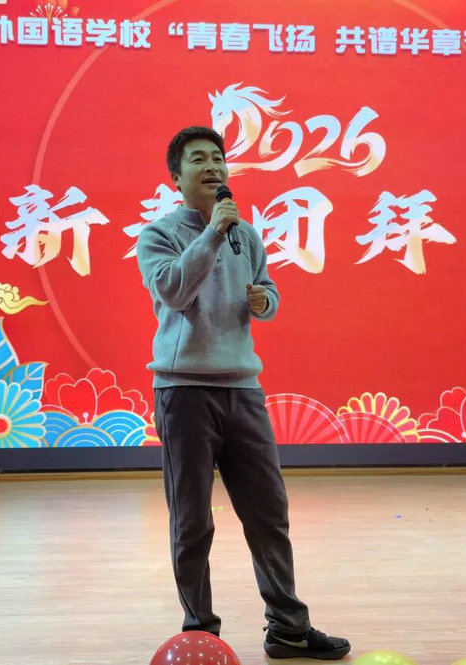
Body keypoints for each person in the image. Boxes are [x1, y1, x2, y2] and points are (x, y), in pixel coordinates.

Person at [136, 126, 351, 660]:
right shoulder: (159, 235)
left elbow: (268, 288)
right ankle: (200, 634)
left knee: (268, 513)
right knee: (192, 520)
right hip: (184, 391)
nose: (213, 167)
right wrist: (212, 232)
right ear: (176, 176)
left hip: (244, 390)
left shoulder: (246, 235)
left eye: (218, 158)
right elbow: (173, 290)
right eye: (198, 160)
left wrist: (264, 301)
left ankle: (289, 629)